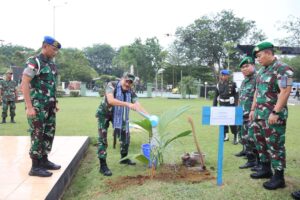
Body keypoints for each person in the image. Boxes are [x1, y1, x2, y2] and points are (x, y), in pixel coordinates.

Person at [249, 41, 293, 190]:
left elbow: (285, 91)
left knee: (275, 145)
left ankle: (279, 177)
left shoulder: (283, 69)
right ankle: (265, 168)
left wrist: (276, 112)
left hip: (273, 116)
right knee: (260, 142)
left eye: (259, 56)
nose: (258, 59)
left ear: (268, 53)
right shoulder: (262, 71)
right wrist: (253, 109)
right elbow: (257, 91)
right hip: (259, 115)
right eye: (256, 57)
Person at [20, 36, 62, 177]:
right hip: (37, 106)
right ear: (45, 46)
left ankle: (44, 161)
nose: (55, 52)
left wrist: (54, 102)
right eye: (53, 48)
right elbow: (24, 83)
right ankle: (35, 167)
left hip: (49, 106)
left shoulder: (51, 64)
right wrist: (29, 107)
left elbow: (51, 85)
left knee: (48, 133)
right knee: (37, 134)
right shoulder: (35, 62)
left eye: (57, 50)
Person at [95, 72, 148, 176]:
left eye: (130, 82)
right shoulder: (112, 85)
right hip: (104, 114)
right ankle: (103, 166)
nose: (127, 84)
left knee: (126, 134)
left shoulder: (130, 91)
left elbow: (138, 105)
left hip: (117, 115)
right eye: (126, 81)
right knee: (102, 139)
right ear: (122, 79)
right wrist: (127, 104)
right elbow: (110, 100)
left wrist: (150, 117)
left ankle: (124, 158)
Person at [236, 56, 258, 169]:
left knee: (252, 138)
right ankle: (251, 160)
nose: (244, 69)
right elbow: (241, 97)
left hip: (253, 114)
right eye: (242, 67)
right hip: (243, 114)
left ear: (253, 66)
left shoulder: (257, 79)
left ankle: (257, 161)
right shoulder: (244, 81)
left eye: (247, 66)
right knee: (244, 137)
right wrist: (238, 109)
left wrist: (253, 111)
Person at [213, 69, 239, 144]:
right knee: (223, 121)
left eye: (225, 75)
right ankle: (226, 136)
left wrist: (236, 104)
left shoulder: (233, 84)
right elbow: (215, 96)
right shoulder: (218, 84)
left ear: (228, 76)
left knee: (232, 122)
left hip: (230, 105)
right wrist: (214, 107)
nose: (223, 76)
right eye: (222, 75)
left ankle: (235, 136)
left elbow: (236, 94)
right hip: (222, 105)